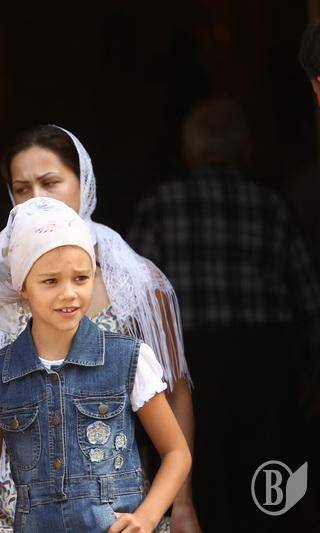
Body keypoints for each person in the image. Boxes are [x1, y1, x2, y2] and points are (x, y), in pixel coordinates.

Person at [0, 124, 198, 532]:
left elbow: (173, 398)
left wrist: (180, 506)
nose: (37, 198)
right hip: (13, 508)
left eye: (50, 182)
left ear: (83, 181)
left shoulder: (136, 282)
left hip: (111, 514)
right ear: (22, 290)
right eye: (22, 188)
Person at [128, 97, 320, 529]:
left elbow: (134, 303)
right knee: (269, 489)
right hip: (267, 364)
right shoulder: (271, 205)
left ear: (188, 152)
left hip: (193, 365)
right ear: (247, 150)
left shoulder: (161, 205)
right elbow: (311, 297)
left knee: (204, 481)